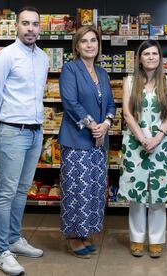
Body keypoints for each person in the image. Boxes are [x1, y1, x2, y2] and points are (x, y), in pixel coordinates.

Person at [0, 6, 49, 276]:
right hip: (11, 131)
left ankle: (14, 238)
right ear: (16, 26)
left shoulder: (44, 58)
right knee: (5, 192)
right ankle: (2, 252)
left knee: (22, 190)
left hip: (35, 132)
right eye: (26, 23)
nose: (31, 28)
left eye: (35, 24)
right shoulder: (5, 57)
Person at [58, 25, 116, 259]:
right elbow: (70, 102)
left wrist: (106, 125)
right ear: (77, 46)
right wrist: (93, 125)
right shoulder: (70, 69)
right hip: (76, 140)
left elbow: (111, 103)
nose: (90, 45)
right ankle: (73, 236)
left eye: (94, 40)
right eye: (84, 41)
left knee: (93, 190)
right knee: (75, 190)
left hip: (99, 142)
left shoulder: (102, 73)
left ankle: (85, 233)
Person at [118, 40, 167, 258]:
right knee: (136, 195)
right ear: (139, 59)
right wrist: (143, 139)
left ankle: (156, 240)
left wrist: (157, 137)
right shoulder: (130, 81)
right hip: (135, 143)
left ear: (160, 58)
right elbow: (127, 114)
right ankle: (136, 239)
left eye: (155, 54)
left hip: (161, 145)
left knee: (158, 196)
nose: (151, 57)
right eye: (146, 54)